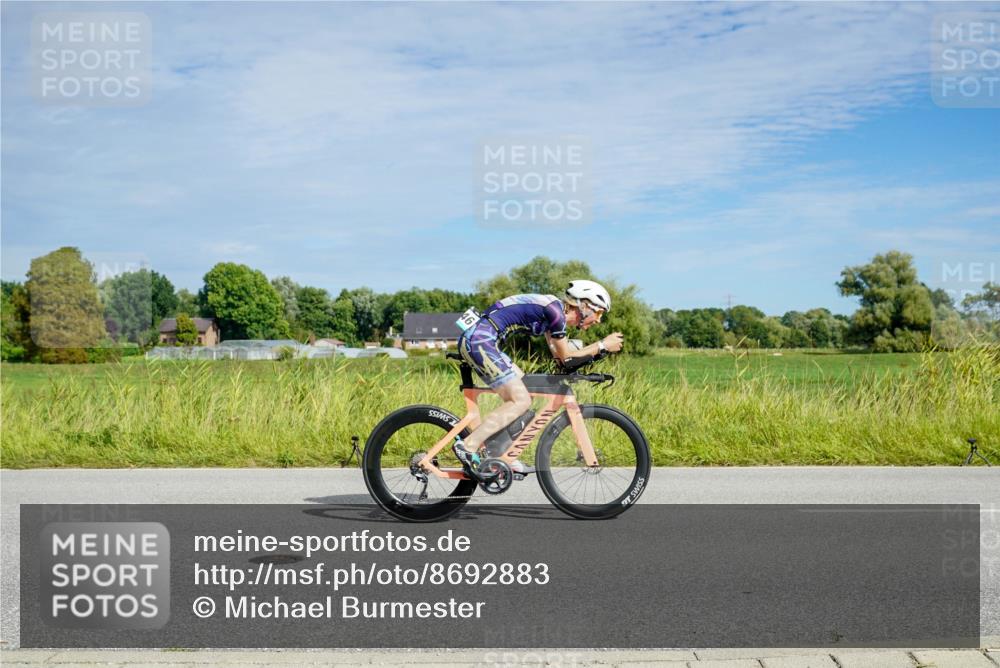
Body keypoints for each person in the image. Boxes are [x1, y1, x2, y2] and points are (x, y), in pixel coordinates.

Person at [453, 280, 624, 474]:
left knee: (527, 390)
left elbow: (563, 361)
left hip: (484, 340)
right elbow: (566, 355)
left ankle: (498, 452)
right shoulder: (555, 313)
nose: (599, 320)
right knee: (521, 400)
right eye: (599, 312)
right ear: (584, 306)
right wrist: (602, 345)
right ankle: (468, 446)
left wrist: (594, 355)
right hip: (480, 340)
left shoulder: (554, 314)